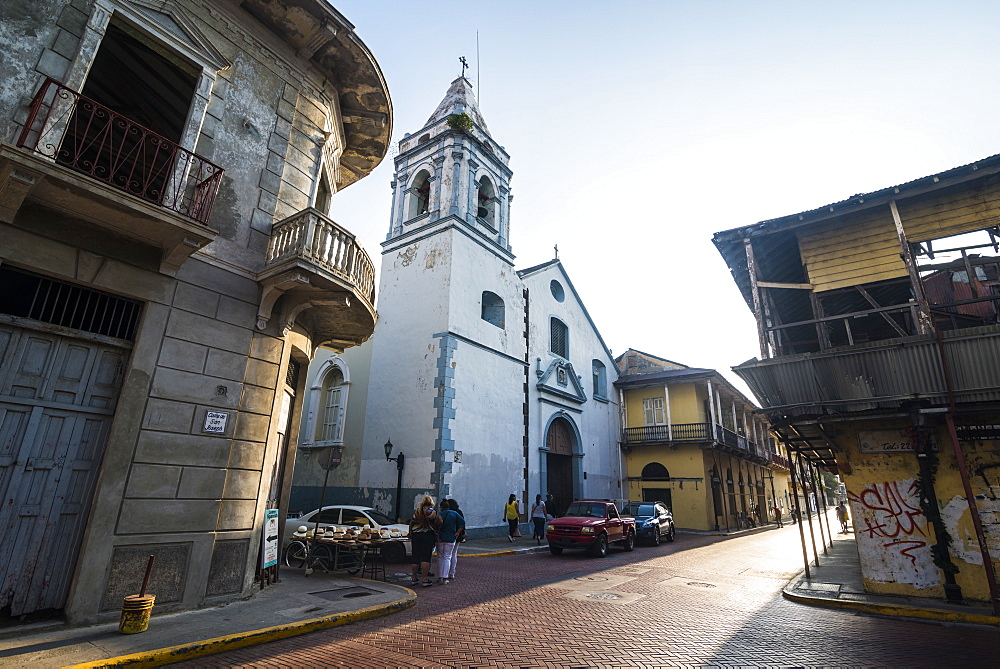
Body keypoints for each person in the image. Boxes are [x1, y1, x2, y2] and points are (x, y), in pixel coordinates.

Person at [409, 495, 442, 587]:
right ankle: (425, 579)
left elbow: (411, 522)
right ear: (431, 503)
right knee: (425, 557)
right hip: (427, 535)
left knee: (415, 556)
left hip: (416, 535)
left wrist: (410, 533)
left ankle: (414, 578)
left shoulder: (417, 512)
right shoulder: (433, 512)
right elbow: (439, 523)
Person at [434, 499, 465, 585]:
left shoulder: (438, 514)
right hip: (450, 538)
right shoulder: (454, 513)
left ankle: (440, 576)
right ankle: (445, 577)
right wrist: (458, 532)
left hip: (440, 538)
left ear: (441, 507)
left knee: (440, 557)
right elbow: (462, 523)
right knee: (447, 557)